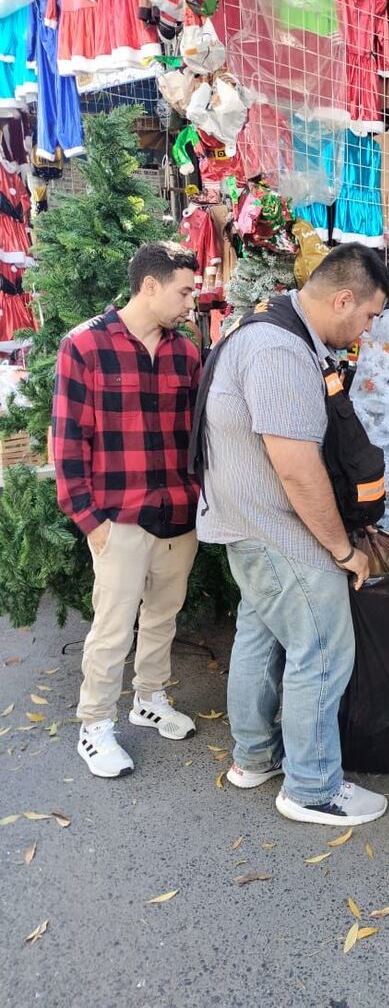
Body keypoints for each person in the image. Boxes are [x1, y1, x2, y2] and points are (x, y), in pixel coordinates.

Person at [193, 243, 389, 828]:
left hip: (246, 522)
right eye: (370, 314)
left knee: (260, 635)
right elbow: (296, 467)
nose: (368, 327)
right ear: (343, 298)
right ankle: (311, 786)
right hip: (279, 531)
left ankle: (254, 758)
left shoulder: (264, 327)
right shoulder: (281, 349)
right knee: (323, 650)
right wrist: (341, 549)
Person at [52, 242, 202, 779]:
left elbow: (196, 434)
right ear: (151, 285)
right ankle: (94, 725)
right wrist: (88, 519)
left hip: (178, 511)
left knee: (163, 615)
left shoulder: (186, 352)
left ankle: (149, 698)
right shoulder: (85, 345)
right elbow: (68, 440)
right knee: (113, 626)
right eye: (185, 290)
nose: (193, 300)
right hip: (118, 515)